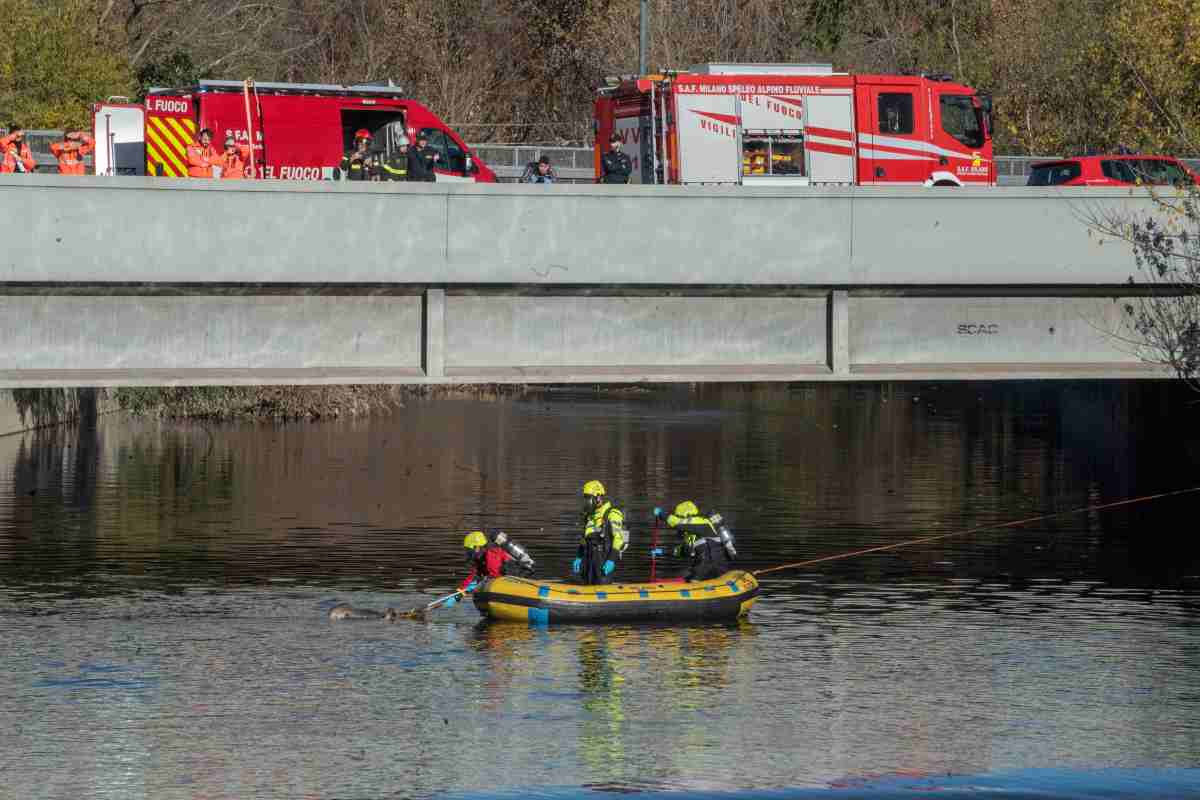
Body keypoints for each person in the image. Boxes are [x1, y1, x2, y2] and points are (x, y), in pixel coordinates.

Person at [652, 501, 737, 582]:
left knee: (694, 577)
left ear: (686, 515)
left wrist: (662, 514)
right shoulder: (692, 533)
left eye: (679, 516)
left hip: (711, 562)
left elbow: (677, 522)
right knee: (690, 575)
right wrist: (662, 552)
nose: (679, 518)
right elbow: (687, 551)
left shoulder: (701, 523)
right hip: (708, 564)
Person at [447, 530, 536, 607]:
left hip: (519, 573)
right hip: (509, 577)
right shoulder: (481, 559)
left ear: (477, 548)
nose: (468, 553)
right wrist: (458, 593)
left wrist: (479, 582)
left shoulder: (492, 554)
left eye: (469, 550)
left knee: (488, 581)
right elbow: (474, 576)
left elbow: (495, 575)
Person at [574, 480, 629, 585]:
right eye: (585, 499)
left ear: (598, 497)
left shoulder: (612, 514)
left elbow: (619, 538)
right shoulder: (589, 517)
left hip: (603, 563)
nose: (587, 502)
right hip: (588, 563)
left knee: (601, 585)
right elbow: (584, 539)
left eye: (589, 498)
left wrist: (612, 560)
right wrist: (579, 556)